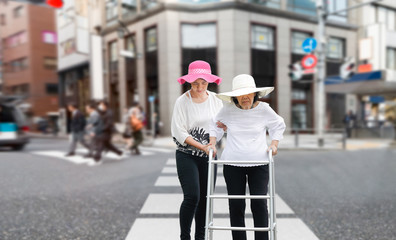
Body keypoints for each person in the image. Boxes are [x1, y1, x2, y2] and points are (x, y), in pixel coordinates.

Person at [209, 74, 286, 240]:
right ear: (235, 97)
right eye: (241, 94)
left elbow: (278, 125)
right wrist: (212, 142)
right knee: (236, 205)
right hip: (232, 164)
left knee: (259, 203)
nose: (245, 97)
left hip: (259, 163)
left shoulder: (264, 109)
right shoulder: (227, 110)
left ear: (254, 94)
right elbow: (214, 125)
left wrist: (274, 144)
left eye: (248, 93)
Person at [171, 60, 223, 240]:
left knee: (205, 199)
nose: (199, 87)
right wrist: (202, 146)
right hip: (187, 155)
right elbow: (179, 131)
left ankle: (200, 237)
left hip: (209, 156)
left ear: (208, 82)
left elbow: (220, 126)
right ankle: (185, 236)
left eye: (203, 83)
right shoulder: (182, 102)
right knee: (192, 196)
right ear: (189, 82)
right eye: (195, 83)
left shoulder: (216, 100)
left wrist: (212, 143)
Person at [92, 100, 123, 164]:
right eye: (100, 105)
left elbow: (108, 124)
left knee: (100, 144)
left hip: (107, 131)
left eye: (101, 105)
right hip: (104, 131)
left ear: (105, 105)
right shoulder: (103, 112)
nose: (100, 106)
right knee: (108, 145)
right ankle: (119, 153)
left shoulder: (109, 113)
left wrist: (101, 129)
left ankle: (97, 159)